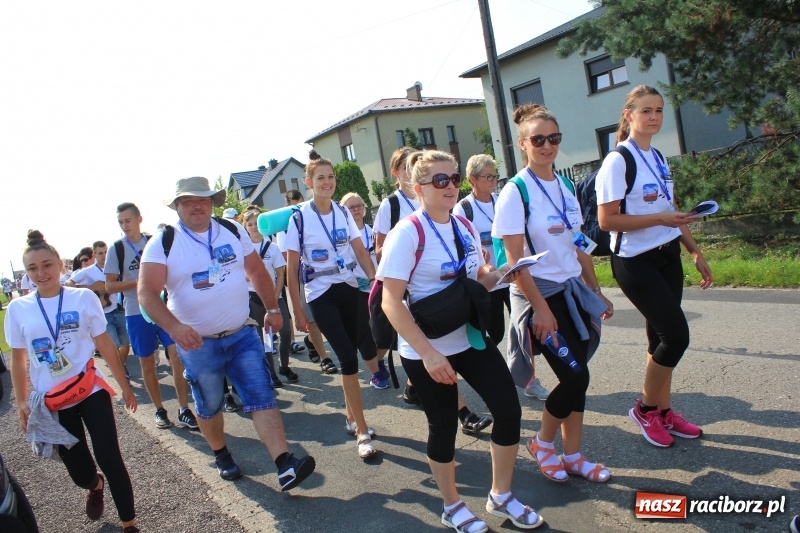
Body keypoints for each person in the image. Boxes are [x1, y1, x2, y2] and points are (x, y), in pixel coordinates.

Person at [379, 150, 543, 532]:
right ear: (419, 188)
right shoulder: (408, 232)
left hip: (469, 336)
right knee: (443, 428)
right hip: (426, 348)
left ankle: (500, 495)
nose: (450, 186)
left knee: (508, 411)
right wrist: (429, 354)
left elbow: (476, 278)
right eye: (440, 180)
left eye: (453, 179)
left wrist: (503, 272)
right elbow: (391, 301)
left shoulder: (464, 225)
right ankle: (452, 505)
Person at [139, 177, 315, 488]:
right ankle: (221, 454)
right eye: (190, 200)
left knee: (261, 395)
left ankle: (284, 463)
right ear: (177, 206)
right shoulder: (164, 241)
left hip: (241, 332)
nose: (198, 205)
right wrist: (175, 328)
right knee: (209, 405)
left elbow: (257, 271)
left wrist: (273, 309)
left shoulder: (231, 230)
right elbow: (147, 295)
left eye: (204, 199)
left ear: (212, 203)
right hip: (198, 345)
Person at [493, 104, 614, 484]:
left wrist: (596, 291)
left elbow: (578, 245)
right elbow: (515, 260)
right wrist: (541, 310)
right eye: (539, 139)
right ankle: (543, 444)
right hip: (537, 296)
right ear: (523, 143)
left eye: (554, 138)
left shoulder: (563, 185)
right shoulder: (516, 191)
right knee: (575, 378)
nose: (548, 146)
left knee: (578, 376)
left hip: (571, 292)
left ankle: (574, 455)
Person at [596, 85, 713, 448]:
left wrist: (694, 251)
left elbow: (672, 212)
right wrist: (658, 217)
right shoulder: (619, 161)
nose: (654, 117)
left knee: (658, 339)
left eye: (659, 110)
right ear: (629, 114)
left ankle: (664, 412)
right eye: (646, 110)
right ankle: (645, 409)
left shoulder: (659, 157)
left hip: (667, 256)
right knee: (676, 337)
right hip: (635, 261)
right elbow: (607, 221)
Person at [5, 230, 140, 533]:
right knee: (79, 471)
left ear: (60, 265)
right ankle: (94, 485)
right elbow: (18, 358)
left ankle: (129, 523)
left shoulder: (83, 297)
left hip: (88, 387)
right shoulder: (18, 309)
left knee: (109, 456)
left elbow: (104, 344)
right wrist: (22, 403)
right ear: (26, 274)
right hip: (52, 399)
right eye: (33, 268)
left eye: (47, 265)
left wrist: (125, 386)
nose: (41, 273)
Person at [285, 152, 379, 459]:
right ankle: (363, 431)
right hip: (320, 294)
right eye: (321, 178)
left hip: (348, 287)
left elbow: (361, 252)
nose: (327, 182)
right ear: (309, 183)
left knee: (361, 347)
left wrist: (377, 283)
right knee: (347, 360)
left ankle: (351, 417)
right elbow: (291, 269)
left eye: (331, 177)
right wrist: (298, 310)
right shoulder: (299, 219)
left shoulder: (342, 211)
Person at [454, 154, 550, 402]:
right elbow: (461, 245)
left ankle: (529, 380)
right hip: (489, 282)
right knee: (494, 332)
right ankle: (487, 373)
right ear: (472, 179)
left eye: (495, 175)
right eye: (488, 176)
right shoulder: (463, 209)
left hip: (515, 276)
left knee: (524, 329)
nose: (494, 180)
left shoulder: (503, 200)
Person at [105, 202, 198, 431]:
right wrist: (141, 283)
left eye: (128, 220)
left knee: (176, 355)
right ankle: (159, 409)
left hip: (162, 309)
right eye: (121, 222)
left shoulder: (154, 241)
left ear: (139, 219)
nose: (125, 226)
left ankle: (184, 408)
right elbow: (109, 286)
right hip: (136, 312)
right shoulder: (117, 248)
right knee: (147, 363)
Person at [340, 192, 390, 390]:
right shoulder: (342, 235)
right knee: (365, 334)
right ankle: (375, 373)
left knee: (387, 331)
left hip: (377, 286)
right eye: (351, 207)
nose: (356, 210)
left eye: (359, 205)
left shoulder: (373, 232)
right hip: (355, 289)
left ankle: (378, 360)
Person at [242, 208, 297, 387]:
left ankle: (284, 366)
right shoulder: (243, 249)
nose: (253, 227)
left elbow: (280, 274)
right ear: (245, 227)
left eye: (255, 223)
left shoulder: (272, 247)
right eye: (249, 224)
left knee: (286, 331)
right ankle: (272, 374)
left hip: (274, 296)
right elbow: (241, 273)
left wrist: (273, 296)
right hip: (253, 298)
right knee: (265, 337)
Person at [67, 241, 132, 380]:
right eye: (100, 253)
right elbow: (69, 283)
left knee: (126, 344)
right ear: (94, 255)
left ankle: (120, 366)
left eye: (106, 252)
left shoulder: (115, 268)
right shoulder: (88, 271)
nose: (104, 255)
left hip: (118, 309)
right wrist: (88, 291)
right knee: (114, 346)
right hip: (103, 314)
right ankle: (122, 374)